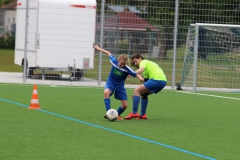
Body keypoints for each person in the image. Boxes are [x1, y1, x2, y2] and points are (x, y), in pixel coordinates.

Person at [94, 45, 143, 120]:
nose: (122, 65)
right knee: (106, 92)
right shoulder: (114, 62)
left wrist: (140, 78)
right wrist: (98, 48)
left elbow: (135, 74)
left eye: (124, 64)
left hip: (120, 87)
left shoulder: (127, 69)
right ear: (118, 60)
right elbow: (108, 52)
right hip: (111, 83)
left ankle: (116, 114)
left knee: (125, 105)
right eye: (121, 63)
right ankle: (108, 113)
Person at [124, 53, 167, 120]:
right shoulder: (147, 65)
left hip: (157, 79)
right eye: (134, 62)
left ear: (140, 58)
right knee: (143, 94)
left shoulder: (143, 62)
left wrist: (132, 73)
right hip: (163, 82)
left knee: (136, 90)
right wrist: (137, 93)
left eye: (136, 61)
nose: (135, 64)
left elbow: (141, 70)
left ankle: (134, 113)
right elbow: (145, 82)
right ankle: (143, 115)